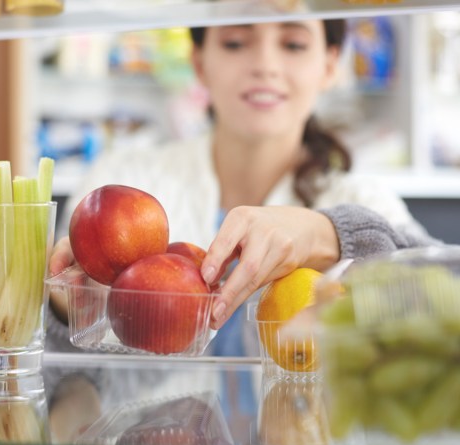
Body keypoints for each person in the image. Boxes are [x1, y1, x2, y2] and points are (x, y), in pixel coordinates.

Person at [46, 19, 439, 355]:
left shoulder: (360, 198)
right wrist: (64, 310)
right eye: (236, 42)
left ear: (330, 64)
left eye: (294, 44)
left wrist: (328, 233)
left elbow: (440, 298)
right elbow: (61, 383)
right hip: (146, 440)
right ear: (199, 62)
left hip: (305, 440)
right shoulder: (120, 180)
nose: (265, 65)